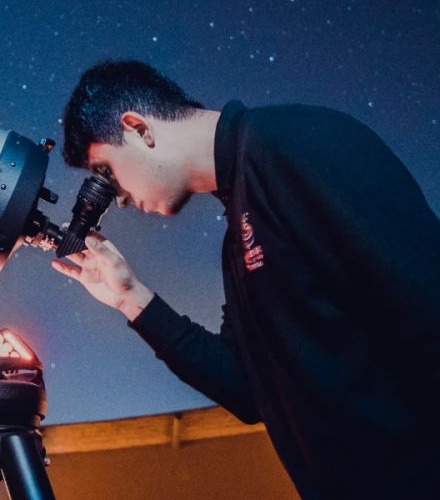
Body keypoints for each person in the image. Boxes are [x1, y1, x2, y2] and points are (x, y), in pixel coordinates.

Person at [50, 59, 440, 500]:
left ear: (139, 128)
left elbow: (427, 307)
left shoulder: (296, 146)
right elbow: (252, 390)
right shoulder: (238, 235)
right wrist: (130, 298)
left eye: (108, 172)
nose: (117, 200)